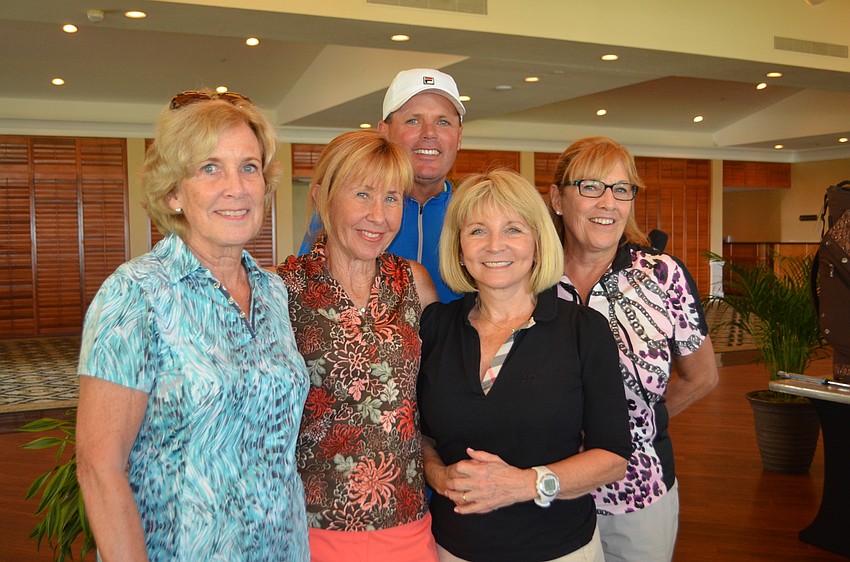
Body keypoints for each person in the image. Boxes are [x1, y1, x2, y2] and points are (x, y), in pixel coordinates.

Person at [75, 90, 310, 562]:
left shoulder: (273, 291)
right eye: (210, 168)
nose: (237, 187)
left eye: (249, 167)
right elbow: (100, 466)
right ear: (173, 193)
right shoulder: (136, 293)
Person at [417, 169, 633, 562]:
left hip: (560, 550)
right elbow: (422, 436)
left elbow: (613, 457)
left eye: (513, 229)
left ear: (537, 242)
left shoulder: (583, 330)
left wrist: (524, 484)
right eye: (478, 231)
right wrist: (439, 476)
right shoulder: (435, 327)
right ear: (459, 248)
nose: (495, 245)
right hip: (450, 549)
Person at [547, 136, 719, 562]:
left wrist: (636, 428)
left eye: (621, 189)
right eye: (590, 186)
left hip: (640, 490)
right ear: (557, 198)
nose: (608, 202)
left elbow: (702, 376)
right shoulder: (530, 280)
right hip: (551, 489)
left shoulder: (663, 276)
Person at [277, 129, 440, 561]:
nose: (380, 216)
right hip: (312, 526)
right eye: (363, 194)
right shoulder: (281, 290)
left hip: (408, 520)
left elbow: (437, 397)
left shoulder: (413, 283)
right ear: (321, 197)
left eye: (391, 198)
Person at [299, 68, 465, 303]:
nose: (429, 133)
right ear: (383, 131)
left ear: (459, 136)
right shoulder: (345, 214)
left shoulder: (473, 214)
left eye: (443, 122)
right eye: (413, 120)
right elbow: (304, 297)